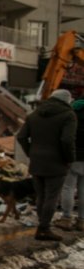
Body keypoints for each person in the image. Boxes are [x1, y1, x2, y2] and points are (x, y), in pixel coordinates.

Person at [17, 89, 77, 241]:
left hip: (37, 161)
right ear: (66, 100)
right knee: (52, 196)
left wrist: (31, 152)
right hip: (56, 162)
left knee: (41, 195)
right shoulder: (68, 115)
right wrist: (69, 158)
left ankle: (42, 226)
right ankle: (44, 228)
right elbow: (67, 140)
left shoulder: (34, 115)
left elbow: (21, 136)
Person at [59, 94, 84, 232]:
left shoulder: (71, 114)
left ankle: (66, 218)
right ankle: (82, 221)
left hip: (74, 157)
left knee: (68, 187)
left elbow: (66, 138)